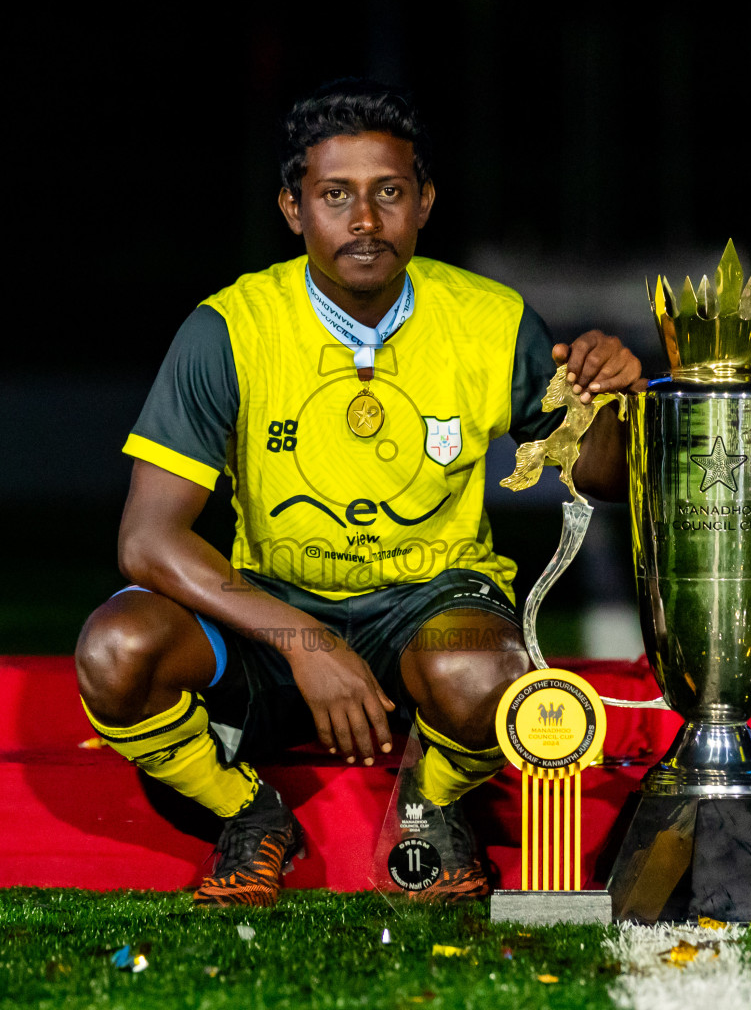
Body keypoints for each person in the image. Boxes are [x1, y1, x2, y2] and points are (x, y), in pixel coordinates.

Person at [75, 79, 641, 907]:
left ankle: (430, 802)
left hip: (432, 598)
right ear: (293, 208)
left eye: (389, 193)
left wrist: (609, 401)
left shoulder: (491, 318)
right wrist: (309, 644)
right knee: (116, 647)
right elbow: (147, 542)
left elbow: (602, 476)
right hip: (271, 607)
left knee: (491, 675)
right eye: (335, 195)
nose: (365, 220)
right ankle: (250, 816)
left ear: (425, 203)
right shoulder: (228, 329)